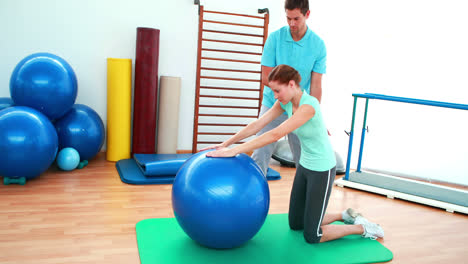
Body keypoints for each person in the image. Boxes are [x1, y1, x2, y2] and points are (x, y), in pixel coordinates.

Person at [203, 65, 384, 243]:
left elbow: (275, 134)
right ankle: (345, 215)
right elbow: (258, 124)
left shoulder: (309, 106)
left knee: (313, 235)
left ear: (291, 84)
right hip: (305, 166)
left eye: (277, 90)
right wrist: (225, 144)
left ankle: (364, 228)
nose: (275, 96)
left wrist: (234, 151)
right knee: (296, 224)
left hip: (322, 170)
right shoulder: (285, 102)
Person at [252, 0, 327, 177]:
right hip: (274, 103)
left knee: (306, 159)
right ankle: (253, 197)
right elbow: (265, 76)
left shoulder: (318, 45)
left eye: (296, 18)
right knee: (259, 153)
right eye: (288, 18)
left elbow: (316, 84)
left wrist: (314, 114)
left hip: (299, 107)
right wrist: (285, 93)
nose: (292, 23)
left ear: (307, 15)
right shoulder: (275, 38)